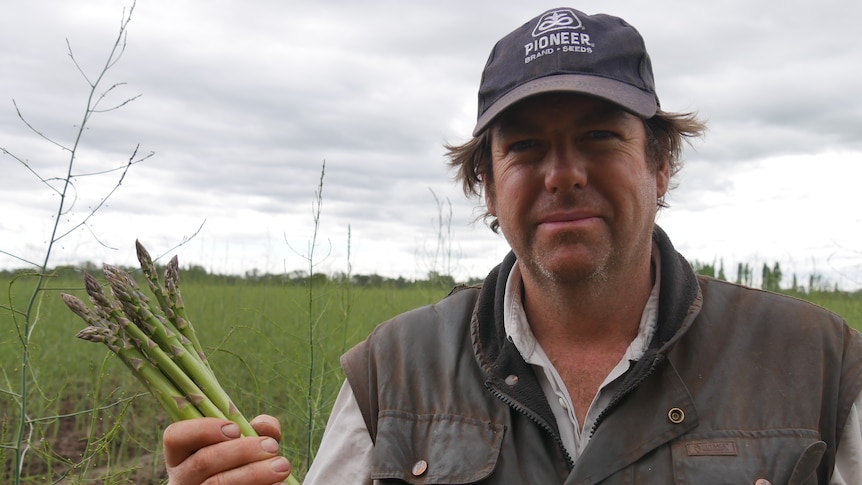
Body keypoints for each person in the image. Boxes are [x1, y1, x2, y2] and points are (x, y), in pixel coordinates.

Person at [163, 7, 862, 484]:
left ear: (660, 165)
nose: (564, 174)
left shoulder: (818, 364)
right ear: (487, 189)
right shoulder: (392, 373)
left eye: (598, 136)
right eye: (526, 147)